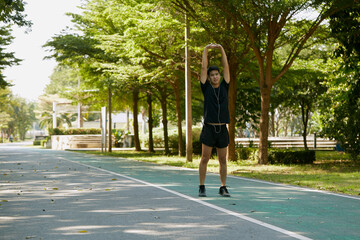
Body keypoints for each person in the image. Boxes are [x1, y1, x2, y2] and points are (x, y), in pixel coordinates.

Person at [198, 43, 231, 197]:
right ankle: (202, 186)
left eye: (217, 74)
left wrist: (221, 49)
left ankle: (223, 187)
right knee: (205, 158)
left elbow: (226, 66)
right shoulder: (206, 88)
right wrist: (206, 50)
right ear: (209, 78)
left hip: (222, 129)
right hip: (209, 128)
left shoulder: (225, 86)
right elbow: (203, 68)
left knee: (223, 160)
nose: (215, 76)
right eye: (212, 75)